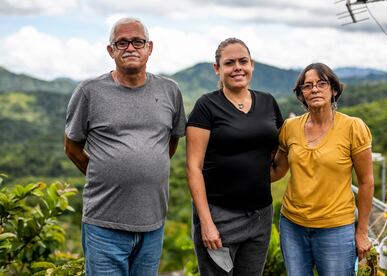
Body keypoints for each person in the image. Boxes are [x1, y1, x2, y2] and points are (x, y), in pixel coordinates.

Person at [64, 17, 186, 275]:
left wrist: (146, 167)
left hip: (152, 224)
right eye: (122, 42)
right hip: (104, 225)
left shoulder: (170, 91)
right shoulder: (89, 91)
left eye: (138, 41)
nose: (130, 47)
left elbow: (171, 140)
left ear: (149, 47)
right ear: (111, 51)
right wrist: (105, 174)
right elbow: (72, 148)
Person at [186, 37, 284, 275]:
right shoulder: (206, 106)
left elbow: (279, 155)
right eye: (230, 63)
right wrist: (206, 223)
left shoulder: (268, 102)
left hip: (260, 215)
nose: (238, 67)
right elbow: (193, 168)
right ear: (217, 69)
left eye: (243, 61)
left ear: (252, 65)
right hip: (220, 217)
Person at [271, 62, 374, 275]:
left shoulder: (353, 127)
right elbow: (277, 170)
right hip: (292, 225)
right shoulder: (289, 128)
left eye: (322, 83)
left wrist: (362, 232)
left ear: (334, 90)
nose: (314, 89)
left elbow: (366, 181)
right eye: (307, 86)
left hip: (335, 227)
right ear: (301, 94)